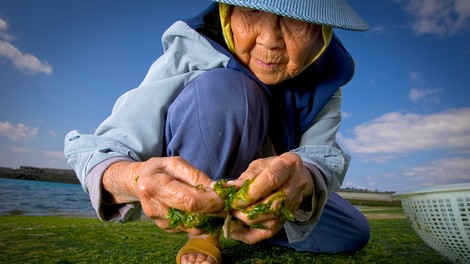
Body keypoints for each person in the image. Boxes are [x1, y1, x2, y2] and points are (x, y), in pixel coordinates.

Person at [64, 0, 370, 263]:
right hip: (202, 176)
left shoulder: (327, 76)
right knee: (229, 93)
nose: (269, 41)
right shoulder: (190, 50)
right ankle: (205, 230)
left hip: (268, 193)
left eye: (295, 21)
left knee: (353, 232)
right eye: (251, 10)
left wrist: (303, 181)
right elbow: (103, 148)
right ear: (227, 11)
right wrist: (133, 179)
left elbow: (320, 153)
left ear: (321, 32)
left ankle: (251, 222)